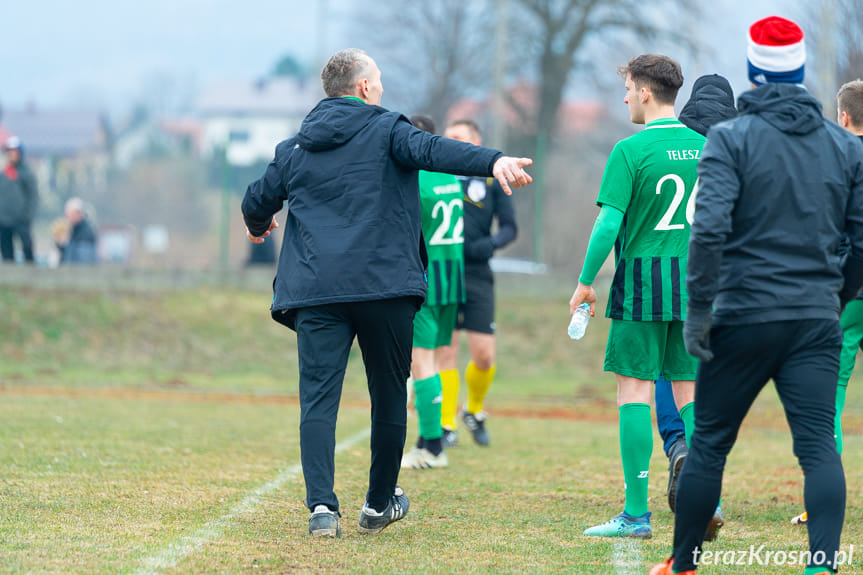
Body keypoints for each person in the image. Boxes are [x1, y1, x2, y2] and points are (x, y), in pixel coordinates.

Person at [241, 48, 533, 538]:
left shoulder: (294, 148)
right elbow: (439, 151)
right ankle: (379, 505)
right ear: (363, 88)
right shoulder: (389, 130)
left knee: (317, 401)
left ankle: (321, 510)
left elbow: (256, 200)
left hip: (316, 292)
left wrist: (259, 223)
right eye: (377, 81)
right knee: (388, 396)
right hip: (384, 288)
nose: (381, 88)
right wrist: (495, 160)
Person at [651, 17, 863, 575]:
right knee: (818, 447)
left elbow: (709, 231)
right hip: (814, 318)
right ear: (798, 71)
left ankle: (685, 563)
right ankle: (822, 564)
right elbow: (860, 239)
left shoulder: (729, 138)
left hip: (743, 315)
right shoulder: (845, 146)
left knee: (711, 447)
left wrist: (698, 310)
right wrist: (836, 299)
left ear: (752, 69)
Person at [569, 54, 704, 540]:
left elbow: (608, 223)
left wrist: (586, 282)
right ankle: (706, 495)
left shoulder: (630, 150)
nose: (624, 96)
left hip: (643, 283)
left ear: (645, 91)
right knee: (688, 392)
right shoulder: (706, 147)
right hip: (692, 284)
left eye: (627, 87)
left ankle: (635, 515)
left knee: (635, 393)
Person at [658, 73, 737, 516]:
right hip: (729, 281)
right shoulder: (741, 147)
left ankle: (677, 444)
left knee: (670, 369)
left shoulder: (671, 144)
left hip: (672, 275)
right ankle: (711, 478)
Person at [790, 78, 863, 528]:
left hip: (848, 291)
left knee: (828, 394)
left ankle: (821, 499)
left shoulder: (833, 158)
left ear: (843, 117)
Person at [437, 118, 518, 448]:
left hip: (478, 275)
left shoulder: (491, 180)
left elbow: (510, 228)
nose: (451, 142)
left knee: (484, 355)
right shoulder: (436, 175)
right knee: (447, 349)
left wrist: (490, 244)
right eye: (448, 137)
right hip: (444, 271)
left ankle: (474, 410)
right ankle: (446, 424)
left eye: (458, 138)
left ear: (475, 142)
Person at [399, 114, 465, 470]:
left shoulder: (416, 180)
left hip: (427, 278)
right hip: (452, 276)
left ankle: (432, 447)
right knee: (437, 360)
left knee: (420, 361)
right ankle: (430, 438)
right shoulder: (449, 178)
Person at [0, 136, 38, 263]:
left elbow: (32, 196)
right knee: (6, 249)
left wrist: (27, 215)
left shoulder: (26, 173)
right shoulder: (4, 173)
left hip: (21, 218)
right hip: (4, 218)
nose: (12, 155)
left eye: (14, 152)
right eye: (9, 152)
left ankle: (30, 270)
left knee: (26, 245)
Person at [53, 197, 98, 265]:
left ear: (78, 213)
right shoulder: (70, 228)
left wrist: (67, 241)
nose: (67, 217)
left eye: (69, 214)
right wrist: (59, 243)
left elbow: (79, 256)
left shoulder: (86, 231)